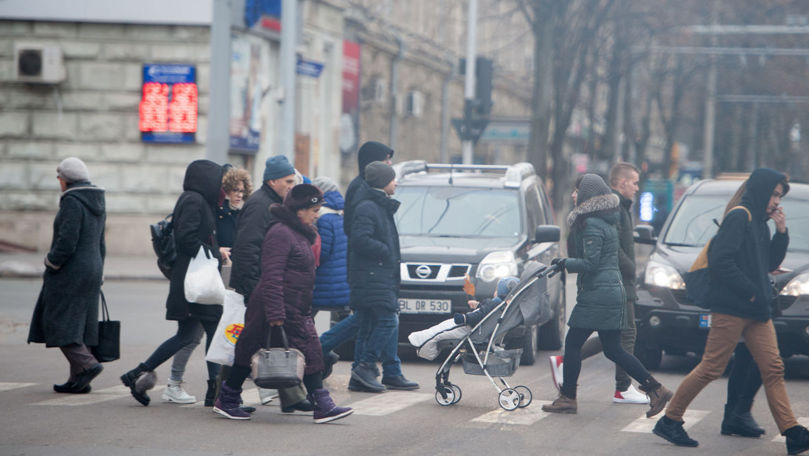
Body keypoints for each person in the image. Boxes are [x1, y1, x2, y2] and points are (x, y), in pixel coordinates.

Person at [653, 168, 809, 454]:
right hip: (734, 308)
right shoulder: (740, 216)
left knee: (773, 367)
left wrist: (782, 231)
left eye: (779, 195)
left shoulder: (760, 222)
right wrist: (750, 291)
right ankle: (670, 419)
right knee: (712, 366)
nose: (776, 201)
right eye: (773, 194)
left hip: (756, 310)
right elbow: (720, 260)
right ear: (761, 190)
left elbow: (768, 262)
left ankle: (793, 432)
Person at [214, 184, 353, 423]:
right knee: (255, 351)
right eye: (313, 209)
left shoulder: (298, 232)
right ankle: (322, 404)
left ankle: (228, 398)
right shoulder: (280, 232)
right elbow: (272, 274)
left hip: (293, 306)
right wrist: (276, 312)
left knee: (304, 352)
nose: (317, 213)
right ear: (299, 210)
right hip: (274, 307)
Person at [542, 174, 672, 417]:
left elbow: (590, 263)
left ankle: (568, 397)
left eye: (577, 191)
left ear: (587, 195)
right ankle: (656, 389)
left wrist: (564, 263)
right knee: (614, 349)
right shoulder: (605, 220)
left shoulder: (591, 223)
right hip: (609, 291)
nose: (573, 195)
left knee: (572, 344)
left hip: (599, 294)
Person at [120, 159, 224, 407]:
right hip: (193, 281)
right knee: (205, 333)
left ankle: (137, 374)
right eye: (217, 180)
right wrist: (216, 253)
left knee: (192, 334)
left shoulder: (199, 201)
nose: (219, 185)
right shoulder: (193, 200)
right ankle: (215, 392)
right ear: (205, 180)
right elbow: (186, 238)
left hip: (195, 280)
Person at [160, 167, 253, 405]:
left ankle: (214, 388)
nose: (238, 195)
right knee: (194, 335)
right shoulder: (212, 209)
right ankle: (177, 382)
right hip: (209, 278)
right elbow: (198, 240)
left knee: (209, 334)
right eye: (234, 190)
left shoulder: (243, 214)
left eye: (242, 191)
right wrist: (218, 252)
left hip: (229, 278)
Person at [227, 155, 311, 413]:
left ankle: (292, 396)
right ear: (272, 180)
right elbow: (248, 248)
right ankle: (224, 396)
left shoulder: (274, 203)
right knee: (252, 344)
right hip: (259, 287)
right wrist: (255, 288)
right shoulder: (260, 205)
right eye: (287, 181)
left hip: (267, 287)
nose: (291, 185)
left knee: (273, 342)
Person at [341, 141, 416, 393]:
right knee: (382, 320)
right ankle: (358, 366)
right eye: (387, 160)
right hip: (371, 272)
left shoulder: (375, 197)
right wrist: (384, 251)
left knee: (369, 322)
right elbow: (357, 235)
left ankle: (371, 371)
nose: (390, 164)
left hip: (378, 271)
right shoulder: (363, 194)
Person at [28, 157, 106, 394]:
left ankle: (87, 364)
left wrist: (51, 262)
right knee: (80, 324)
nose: (59, 182)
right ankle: (77, 380)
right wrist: (100, 268)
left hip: (71, 271)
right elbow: (101, 241)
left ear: (66, 179)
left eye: (59, 178)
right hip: (92, 267)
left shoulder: (72, 201)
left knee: (59, 321)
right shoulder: (97, 200)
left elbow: (67, 242)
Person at [407, 277, 519, 360]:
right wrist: (478, 305)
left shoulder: (493, 305)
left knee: (443, 330)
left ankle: (421, 341)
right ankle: (424, 341)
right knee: (443, 327)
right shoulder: (501, 306)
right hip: (477, 330)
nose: (494, 292)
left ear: (501, 292)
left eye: (496, 289)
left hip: (467, 329)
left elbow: (479, 316)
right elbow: (486, 313)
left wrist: (464, 318)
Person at [310, 176, 350, 379]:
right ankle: (322, 354)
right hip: (338, 283)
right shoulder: (339, 216)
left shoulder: (323, 218)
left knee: (303, 321)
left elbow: (322, 253)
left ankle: (321, 354)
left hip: (322, 283)